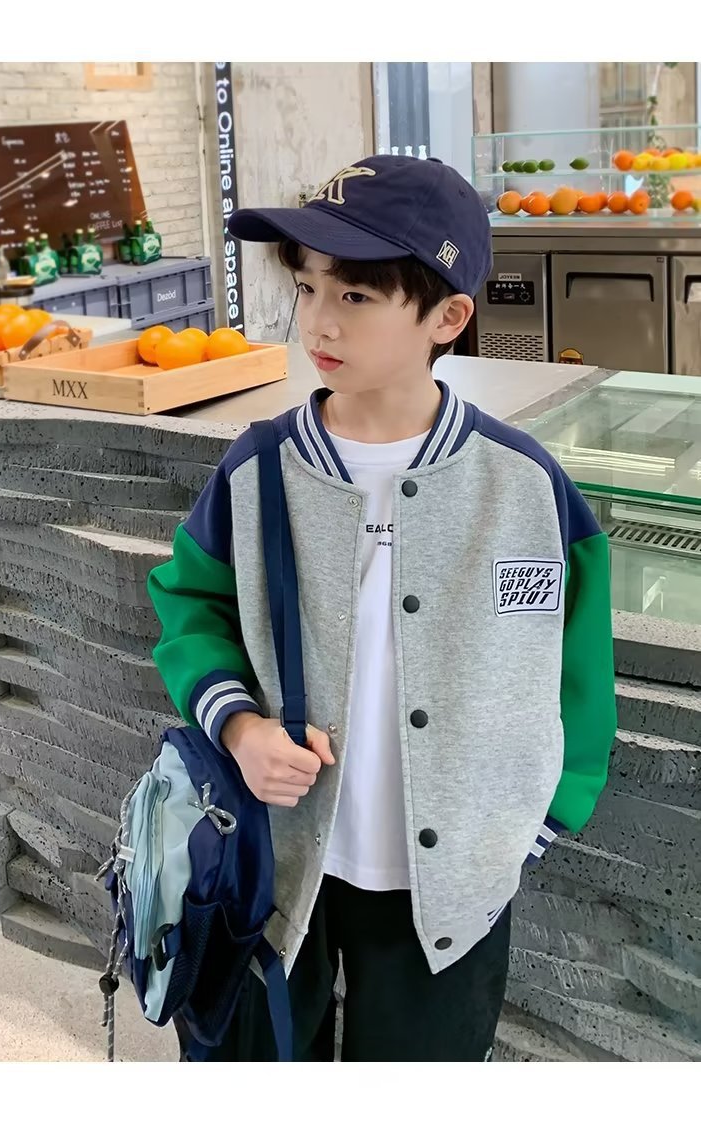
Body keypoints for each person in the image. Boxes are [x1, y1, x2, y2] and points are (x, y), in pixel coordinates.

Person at [147, 154, 617, 1061]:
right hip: (276, 861)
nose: (318, 319)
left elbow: (576, 669)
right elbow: (189, 604)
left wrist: (534, 822)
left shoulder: (524, 487)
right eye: (307, 284)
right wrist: (240, 727)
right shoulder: (259, 465)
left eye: (356, 295)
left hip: (457, 882)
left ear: (447, 317)